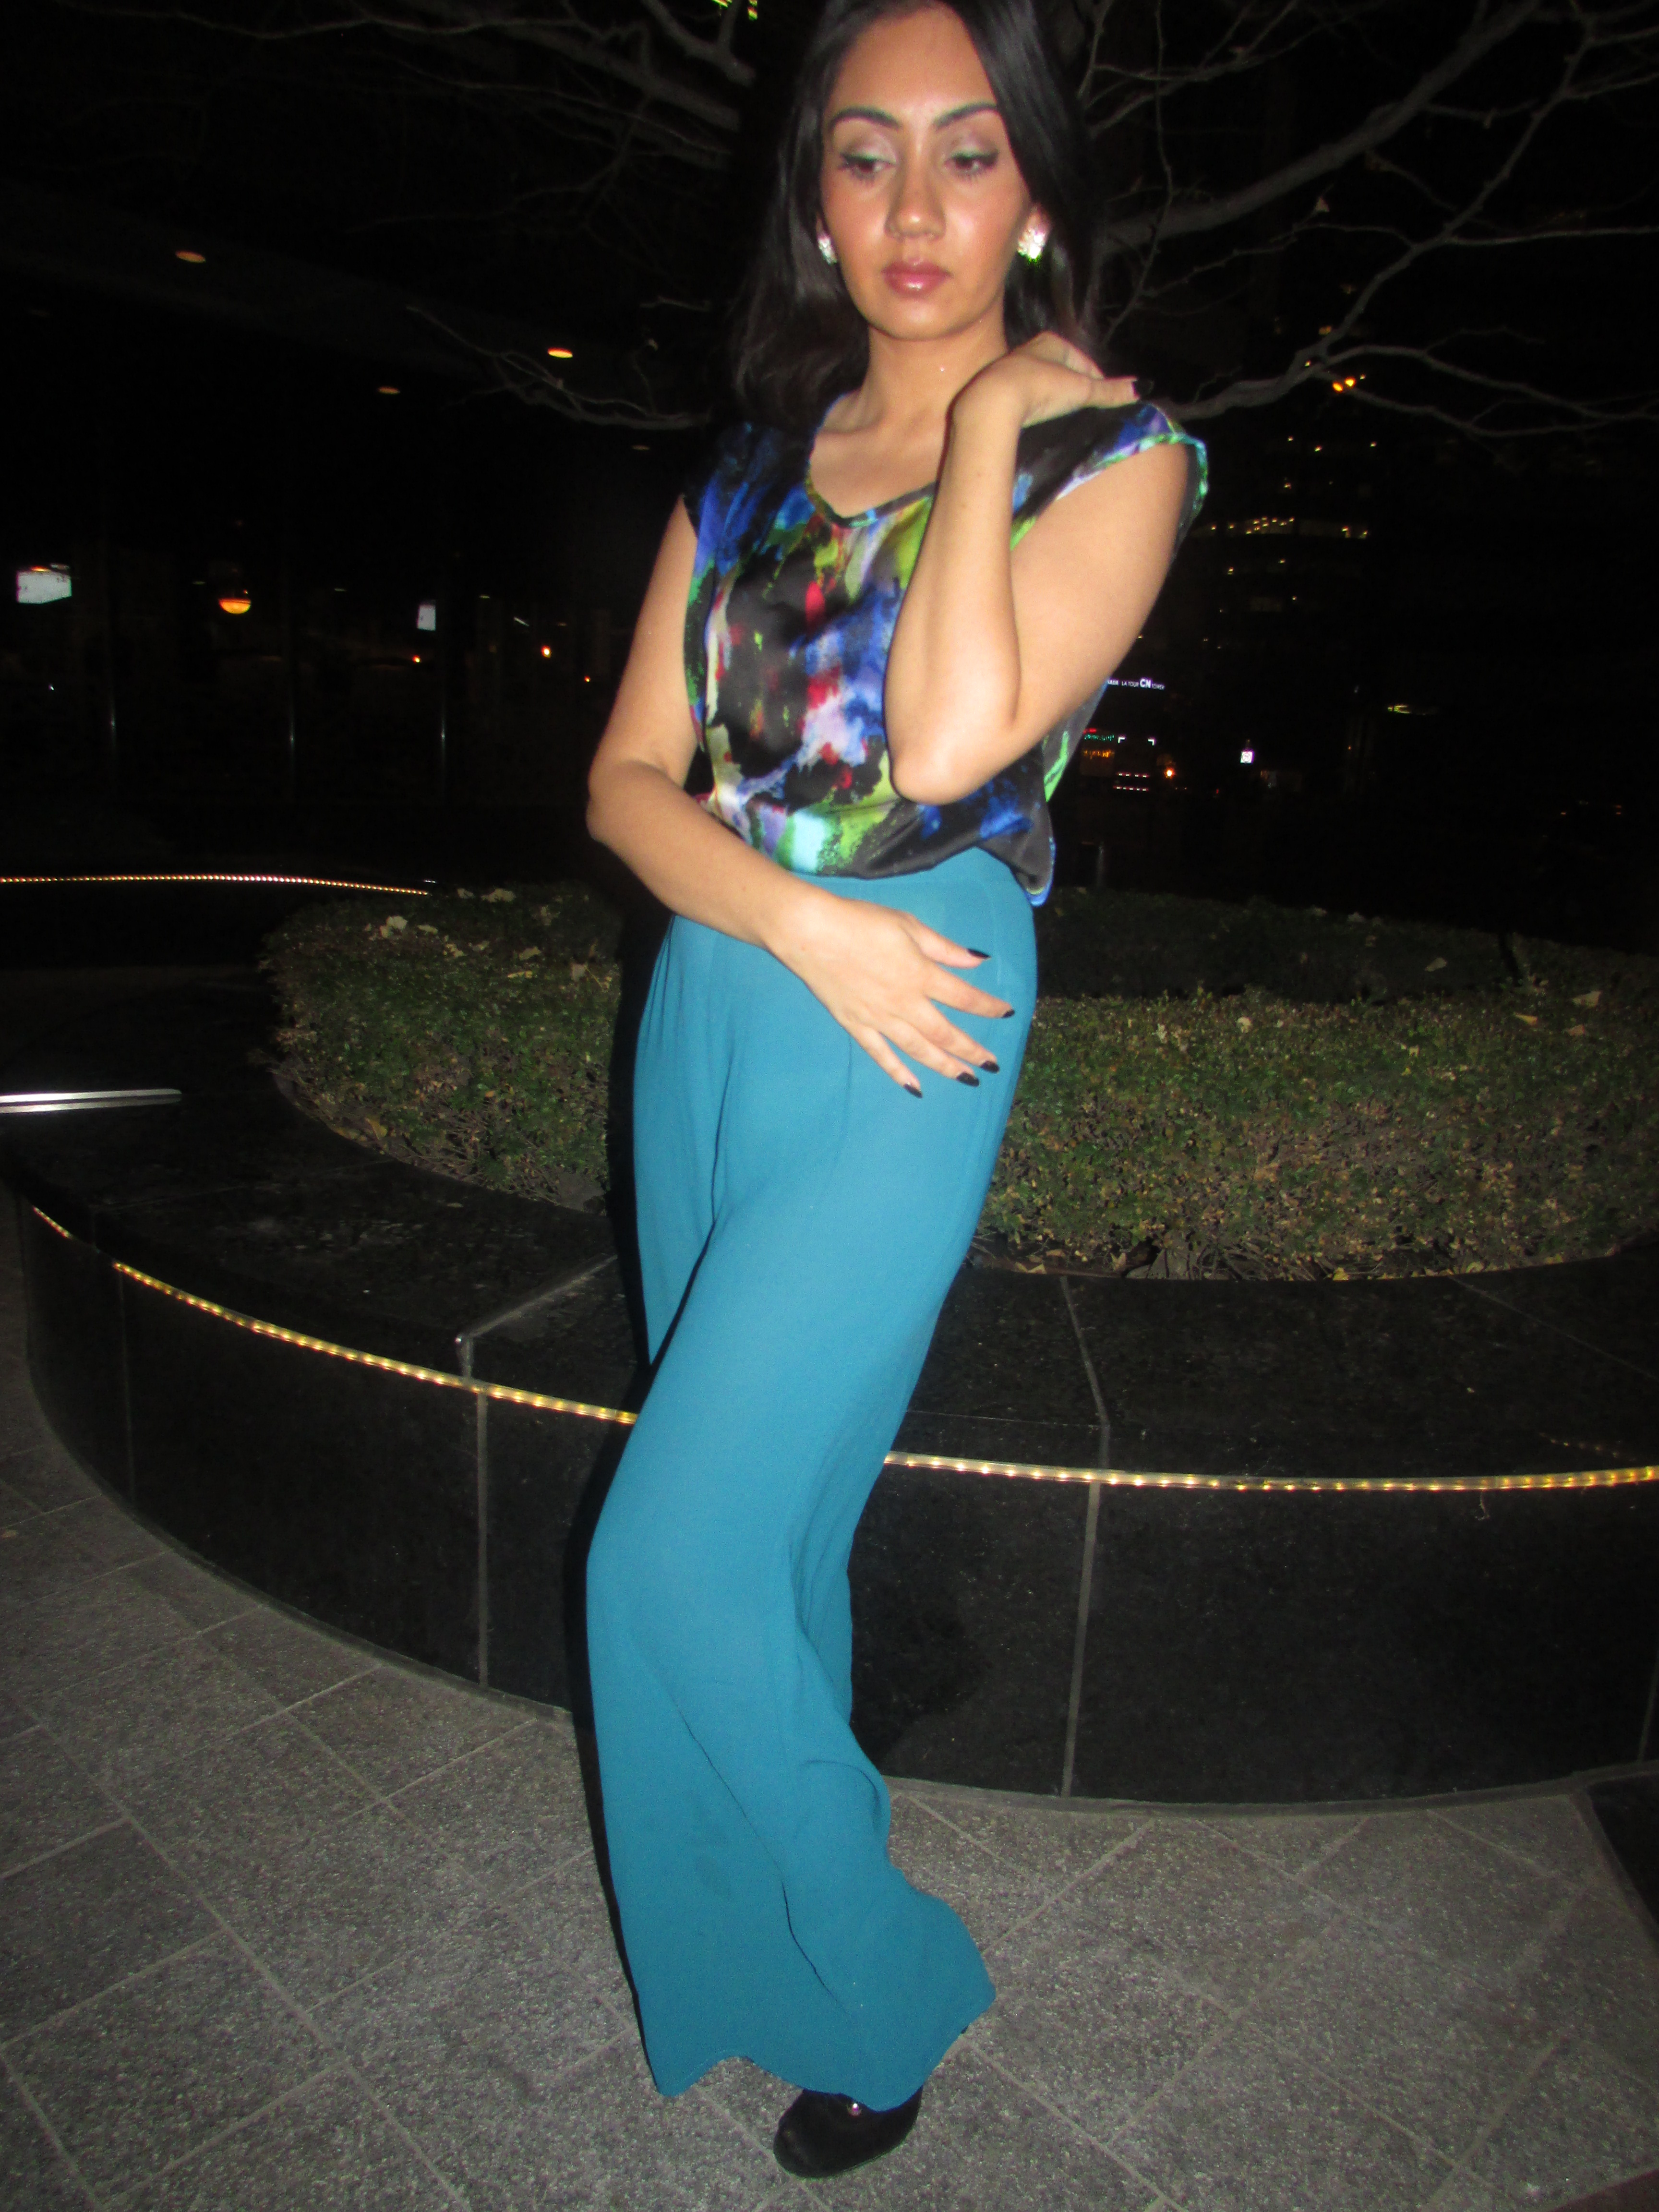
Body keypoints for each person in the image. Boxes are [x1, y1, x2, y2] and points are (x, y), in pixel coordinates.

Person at [583, 0, 1205, 2179]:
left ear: (1034, 193)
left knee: (663, 1561)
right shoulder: (749, 466)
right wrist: (788, 920)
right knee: (767, 1529)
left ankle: (888, 1970)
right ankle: (763, 1964)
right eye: (866, 154)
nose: (915, 204)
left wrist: (984, 425)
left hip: (920, 999)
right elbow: (626, 782)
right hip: (733, 983)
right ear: (816, 199)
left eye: (968, 151)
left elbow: (944, 750)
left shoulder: (1114, 457)